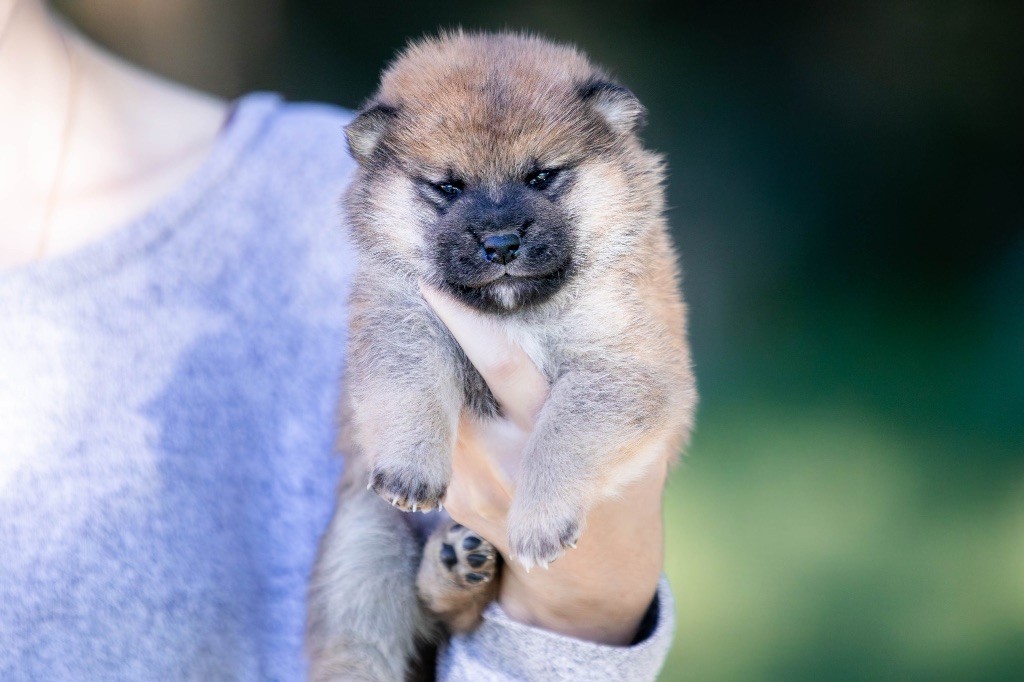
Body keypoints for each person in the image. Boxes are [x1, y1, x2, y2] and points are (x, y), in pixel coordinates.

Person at [0, 1, 675, 679]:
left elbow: (633, 388)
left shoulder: (296, 190)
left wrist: (585, 597)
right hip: (383, 554)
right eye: (447, 190)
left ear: (615, 138)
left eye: (542, 180)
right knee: (360, 578)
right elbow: (397, 359)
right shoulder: (377, 253)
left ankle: (453, 585)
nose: (498, 229)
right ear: (377, 168)